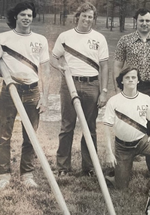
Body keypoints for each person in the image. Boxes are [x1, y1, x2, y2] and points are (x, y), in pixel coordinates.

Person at [0, 2, 50, 190]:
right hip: (9, 92)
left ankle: (27, 175)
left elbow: (45, 71)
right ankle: (3, 176)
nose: (27, 18)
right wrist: (9, 76)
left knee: (31, 136)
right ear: (16, 17)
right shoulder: (2, 38)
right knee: (4, 136)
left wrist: (45, 97)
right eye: (23, 15)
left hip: (32, 92)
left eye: (29, 15)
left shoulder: (41, 40)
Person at [51, 2, 109, 176]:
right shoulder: (65, 36)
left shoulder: (99, 38)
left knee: (89, 127)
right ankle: (63, 167)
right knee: (67, 126)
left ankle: (89, 167)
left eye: (90, 16)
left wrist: (104, 91)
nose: (87, 19)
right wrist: (60, 68)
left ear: (94, 19)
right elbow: (54, 58)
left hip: (92, 85)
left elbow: (105, 66)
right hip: (69, 84)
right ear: (78, 16)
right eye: (84, 15)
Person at [114, 8, 150, 174]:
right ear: (136, 21)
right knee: (128, 125)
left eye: (147, 20)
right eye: (141, 21)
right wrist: (118, 87)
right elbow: (117, 64)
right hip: (132, 88)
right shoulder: (125, 40)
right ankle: (125, 167)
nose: (144, 23)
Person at [103, 67, 150, 195]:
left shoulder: (146, 99)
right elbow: (106, 127)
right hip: (123, 146)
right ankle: (113, 176)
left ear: (138, 80)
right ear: (122, 81)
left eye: (134, 77)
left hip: (142, 141)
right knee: (121, 188)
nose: (131, 80)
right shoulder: (114, 101)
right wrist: (109, 152)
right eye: (127, 78)